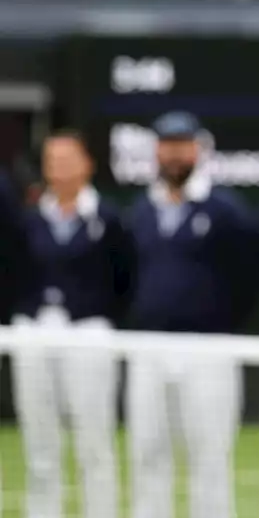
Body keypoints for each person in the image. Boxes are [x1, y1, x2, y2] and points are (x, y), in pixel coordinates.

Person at [125, 111, 259, 518]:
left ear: (198, 150)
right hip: (148, 344)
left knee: (209, 455)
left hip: (208, 346)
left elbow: (247, 280)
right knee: (148, 452)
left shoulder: (225, 211)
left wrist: (221, 323)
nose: (174, 154)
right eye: (167, 145)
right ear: (156, 152)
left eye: (182, 145)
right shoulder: (141, 212)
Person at [12, 129, 133, 518]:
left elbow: (124, 278)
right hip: (33, 331)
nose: (59, 168)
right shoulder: (28, 220)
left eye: (68, 159)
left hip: (89, 332)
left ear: (88, 165)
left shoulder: (109, 219)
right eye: (52, 160)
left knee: (93, 440)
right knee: (39, 441)